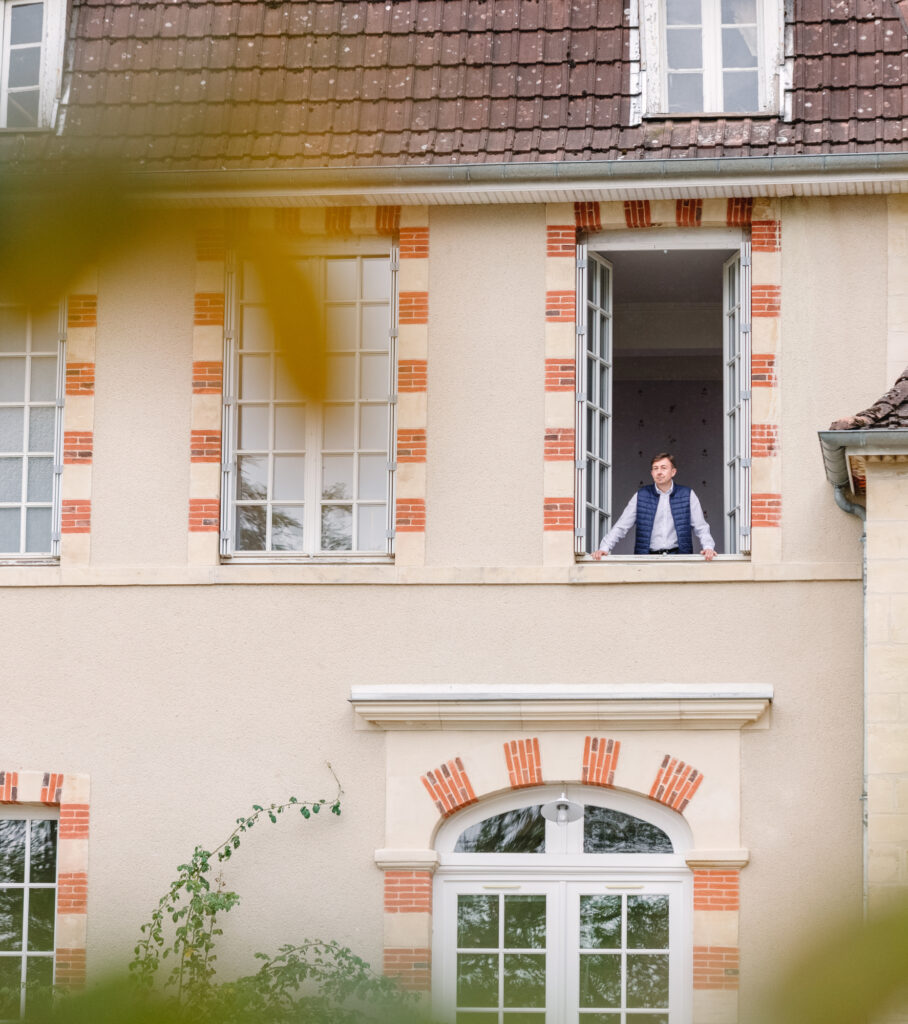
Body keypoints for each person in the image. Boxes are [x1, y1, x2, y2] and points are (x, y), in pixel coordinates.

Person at [592, 452, 717, 561]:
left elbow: (701, 527)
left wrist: (708, 547)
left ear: (673, 472)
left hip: (679, 557)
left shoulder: (687, 494)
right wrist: (605, 547)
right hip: (647, 558)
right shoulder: (641, 495)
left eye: (663, 468)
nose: (659, 472)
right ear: (651, 473)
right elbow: (621, 526)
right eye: (655, 468)